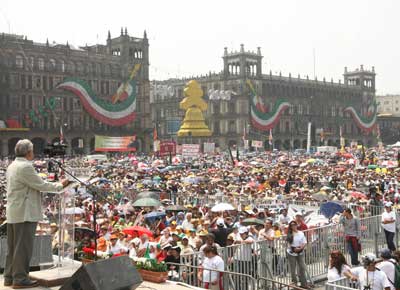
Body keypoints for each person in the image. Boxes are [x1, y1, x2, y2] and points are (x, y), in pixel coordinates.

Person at [4, 139, 68, 288]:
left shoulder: (13, 165)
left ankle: (9, 277)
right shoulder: (25, 166)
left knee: (13, 247)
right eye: (32, 150)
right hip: (25, 212)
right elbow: (41, 185)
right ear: (28, 152)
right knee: (23, 248)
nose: (33, 153)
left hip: (15, 211)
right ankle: (20, 279)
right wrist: (60, 185)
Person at [286, 220, 309, 289]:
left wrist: (300, 248)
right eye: (292, 225)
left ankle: (304, 283)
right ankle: (295, 284)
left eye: (294, 224)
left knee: (302, 268)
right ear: (290, 227)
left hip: (300, 251)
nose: (293, 226)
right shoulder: (289, 234)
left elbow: (304, 242)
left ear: (296, 225)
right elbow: (288, 244)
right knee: (293, 269)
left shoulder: (301, 233)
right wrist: (294, 249)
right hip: (291, 252)